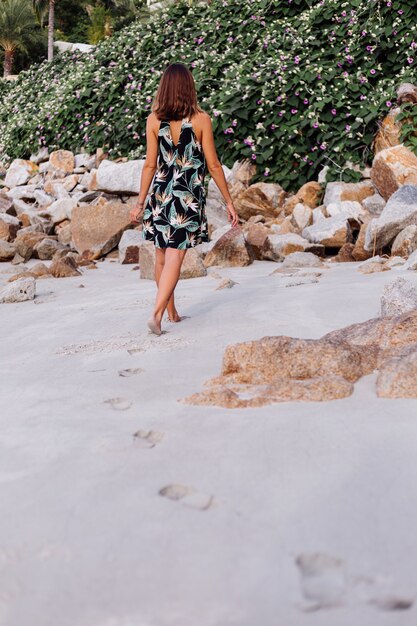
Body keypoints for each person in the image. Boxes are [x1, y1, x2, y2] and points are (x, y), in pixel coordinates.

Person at [130, 62, 239, 336]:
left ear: (164, 87)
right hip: (186, 197)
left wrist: (140, 202)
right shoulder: (200, 119)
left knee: (160, 256)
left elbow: (149, 165)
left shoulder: (154, 120)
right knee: (175, 256)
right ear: (189, 87)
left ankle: (171, 312)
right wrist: (228, 201)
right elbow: (214, 165)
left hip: (160, 193)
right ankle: (157, 314)